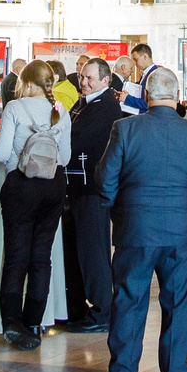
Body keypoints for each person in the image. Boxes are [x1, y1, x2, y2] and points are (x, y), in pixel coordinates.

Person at [102, 67, 187, 372]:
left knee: (129, 299)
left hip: (136, 230)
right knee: (180, 303)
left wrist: (119, 215)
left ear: (147, 95)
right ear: (178, 96)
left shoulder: (125, 129)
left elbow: (105, 180)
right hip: (181, 232)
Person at [0, 60, 70, 345]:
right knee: (41, 258)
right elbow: (67, 155)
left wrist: (15, 160)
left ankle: (13, 322)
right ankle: (34, 322)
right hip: (53, 186)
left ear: (25, 82)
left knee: (16, 257)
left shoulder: (15, 108)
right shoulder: (60, 111)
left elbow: (1, 153)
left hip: (21, 186)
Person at [61, 57, 124, 331]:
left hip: (91, 188)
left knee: (94, 251)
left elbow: (76, 138)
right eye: (82, 77)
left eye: (89, 78)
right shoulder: (84, 102)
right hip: (76, 186)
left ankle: (102, 312)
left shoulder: (105, 106)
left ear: (105, 81)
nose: (83, 82)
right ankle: (77, 308)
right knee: (77, 249)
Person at [121, 44, 157, 114]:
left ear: (145, 56)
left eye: (136, 59)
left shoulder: (154, 75)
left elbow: (150, 103)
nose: (134, 63)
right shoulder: (145, 73)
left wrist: (127, 98)